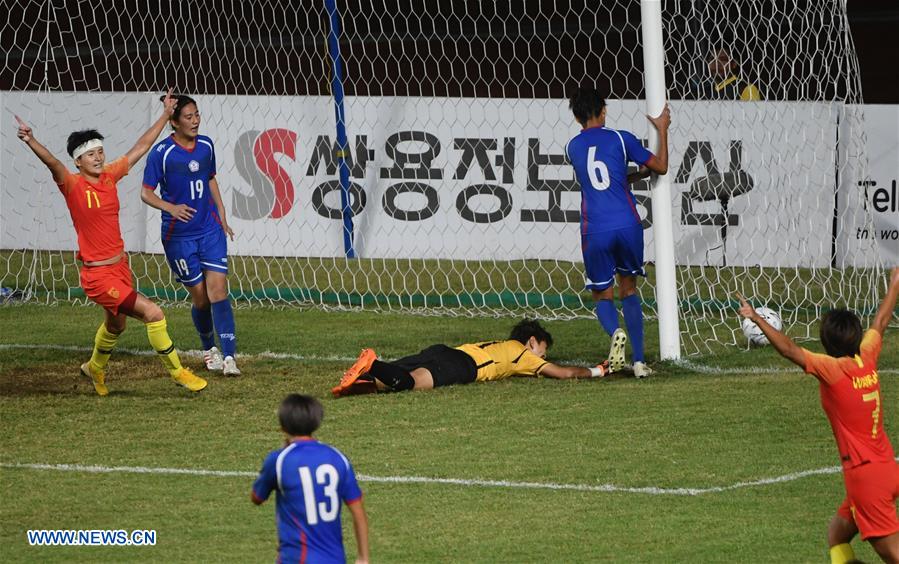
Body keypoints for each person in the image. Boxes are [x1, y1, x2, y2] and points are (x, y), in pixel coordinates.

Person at [15, 90, 207, 395]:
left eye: (100, 152)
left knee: (116, 326)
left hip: (120, 267)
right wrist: (31, 140)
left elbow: (141, 146)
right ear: (78, 161)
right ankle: (178, 373)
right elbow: (52, 162)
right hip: (97, 275)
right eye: (91, 154)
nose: (98, 157)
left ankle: (94, 368)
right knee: (154, 314)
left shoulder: (108, 176)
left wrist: (164, 114)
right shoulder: (72, 184)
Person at [737, 267, 899, 564]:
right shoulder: (867, 356)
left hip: (865, 478)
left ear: (826, 342)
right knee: (837, 536)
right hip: (886, 467)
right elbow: (882, 319)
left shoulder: (832, 370)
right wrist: (895, 284)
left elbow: (789, 350)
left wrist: (757, 318)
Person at [565, 86, 671, 379]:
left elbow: (597, 178)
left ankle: (615, 332)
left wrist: (630, 175)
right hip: (627, 223)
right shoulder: (621, 138)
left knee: (602, 295)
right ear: (604, 111)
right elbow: (660, 167)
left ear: (576, 118)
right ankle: (639, 362)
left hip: (595, 227)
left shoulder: (572, 147)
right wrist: (662, 130)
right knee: (630, 290)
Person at [141, 94, 240, 376]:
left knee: (218, 290)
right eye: (188, 116)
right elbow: (146, 192)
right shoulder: (162, 154)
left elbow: (209, 178)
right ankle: (210, 349)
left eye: (197, 114)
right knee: (201, 299)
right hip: (179, 237)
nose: (195, 121)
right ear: (173, 122)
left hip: (209, 229)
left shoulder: (206, 146)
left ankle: (230, 357)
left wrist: (221, 211)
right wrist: (170, 207)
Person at [331, 319, 611, 397]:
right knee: (409, 385)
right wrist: (599, 370)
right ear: (533, 341)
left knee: (391, 381)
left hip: (442, 351)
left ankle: (358, 382)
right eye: (543, 351)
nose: (542, 358)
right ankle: (372, 363)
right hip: (462, 366)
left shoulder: (501, 345)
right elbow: (563, 373)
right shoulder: (522, 353)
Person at [252, 394, 370, 564]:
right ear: (316, 422)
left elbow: (257, 497)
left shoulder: (279, 460)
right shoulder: (337, 457)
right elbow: (358, 512)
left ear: (283, 426)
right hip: (335, 559)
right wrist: (363, 558)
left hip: (296, 558)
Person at [697, 47, 762, 101]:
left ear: (734, 63)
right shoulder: (705, 92)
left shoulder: (746, 89)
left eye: (723, 59)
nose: (716, 64)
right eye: (712, 59)